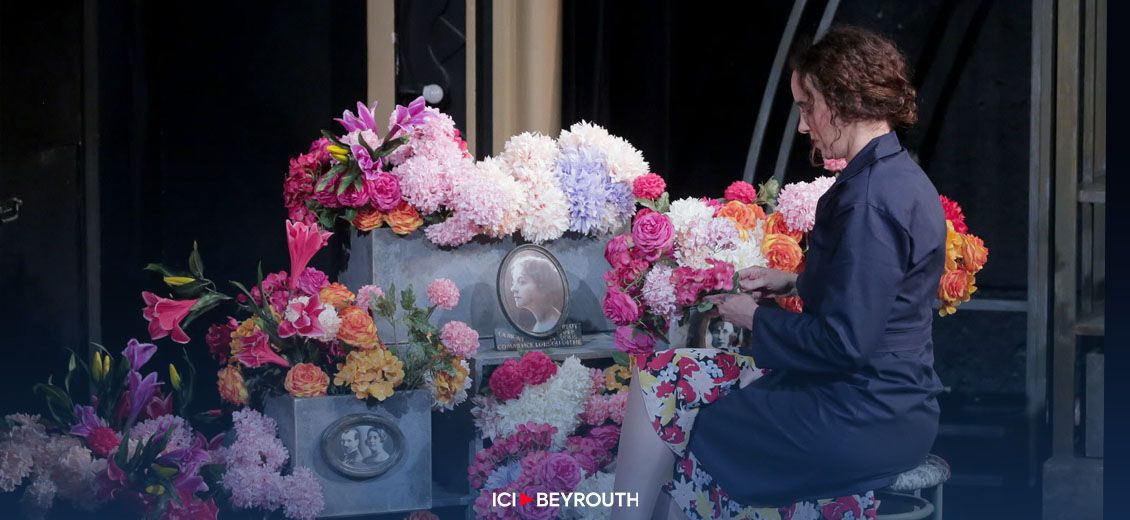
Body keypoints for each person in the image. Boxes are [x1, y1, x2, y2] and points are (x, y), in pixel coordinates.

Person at [612, 26, 945, 520]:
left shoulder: (871, 198)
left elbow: (845, 341)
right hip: (882, 402)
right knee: (665, 376)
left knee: (683, 421)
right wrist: (791, 282)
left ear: (843, 98)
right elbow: (879, 294)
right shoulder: (898, 175)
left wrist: (752, 317)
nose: (806, 126)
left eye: (807, 105)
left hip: (860, 414)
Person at [509, 254, 564, 334]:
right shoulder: (542, 324)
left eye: (522, 282)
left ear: (542, 285)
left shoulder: (552, 325)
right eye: (513, 282)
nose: (513, 289)